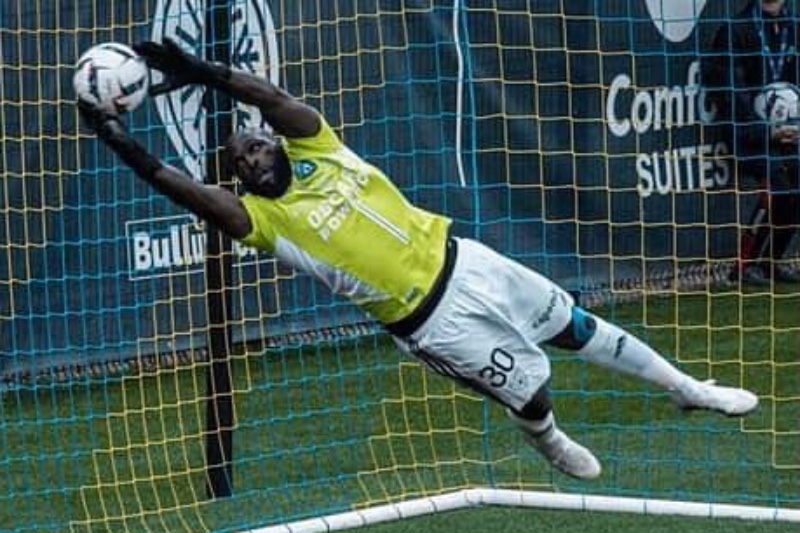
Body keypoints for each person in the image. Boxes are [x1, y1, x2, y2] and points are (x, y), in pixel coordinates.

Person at [77, 38, 759, 481]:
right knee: (530, 390)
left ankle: (687, 388)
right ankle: (550, 441)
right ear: (242, 181)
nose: (251, 156)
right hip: (430, 320)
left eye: (255, 145)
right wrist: (117, 140)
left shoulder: (322, 150)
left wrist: (200, 71)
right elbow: (181, 189)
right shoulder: (266, 221)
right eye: (239, 161)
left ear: (277, 145)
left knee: (576, 324)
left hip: (468, 260)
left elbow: (277, 100)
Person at [704, 0, 800, 286]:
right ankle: (742, 266)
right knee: (779, 183)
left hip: (791, 132)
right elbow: (728, 92)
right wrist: (767, 131)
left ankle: (772, 260)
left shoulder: (794, 27)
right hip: (748, 134)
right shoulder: (734, 30)